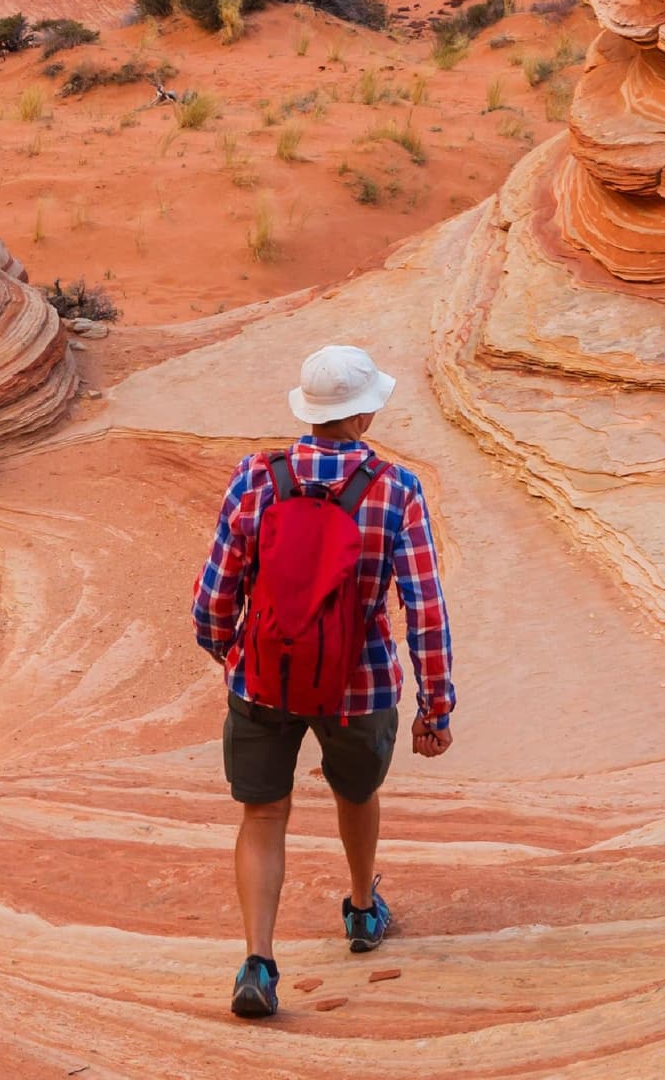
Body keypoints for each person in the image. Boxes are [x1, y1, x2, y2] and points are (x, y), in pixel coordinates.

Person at [191, 344, 455, 1020]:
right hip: (358, 684)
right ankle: (363, 911)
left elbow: (218, 588)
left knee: (263, 813)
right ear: (365, 414)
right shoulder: (396, 489)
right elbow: (423, 605)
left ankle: (258, 960)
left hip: (263, 677)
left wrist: (229, 652)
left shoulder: (258, 476)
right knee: (356, 792)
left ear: (309, 412)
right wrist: (435, 705)